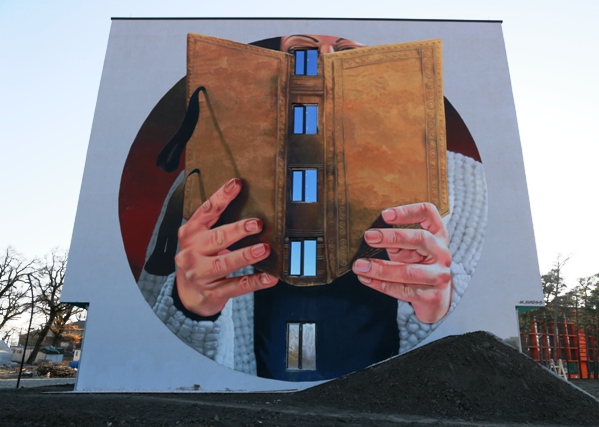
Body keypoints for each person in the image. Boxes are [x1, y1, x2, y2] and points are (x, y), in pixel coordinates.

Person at [137, 35, 488, 381]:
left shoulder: (466, 182)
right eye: (302, 51)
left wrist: (440, 310)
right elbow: (147, 354)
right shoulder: (207, 177)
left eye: (347, 52)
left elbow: (485, 352)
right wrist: (190, 309)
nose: (323, 63)